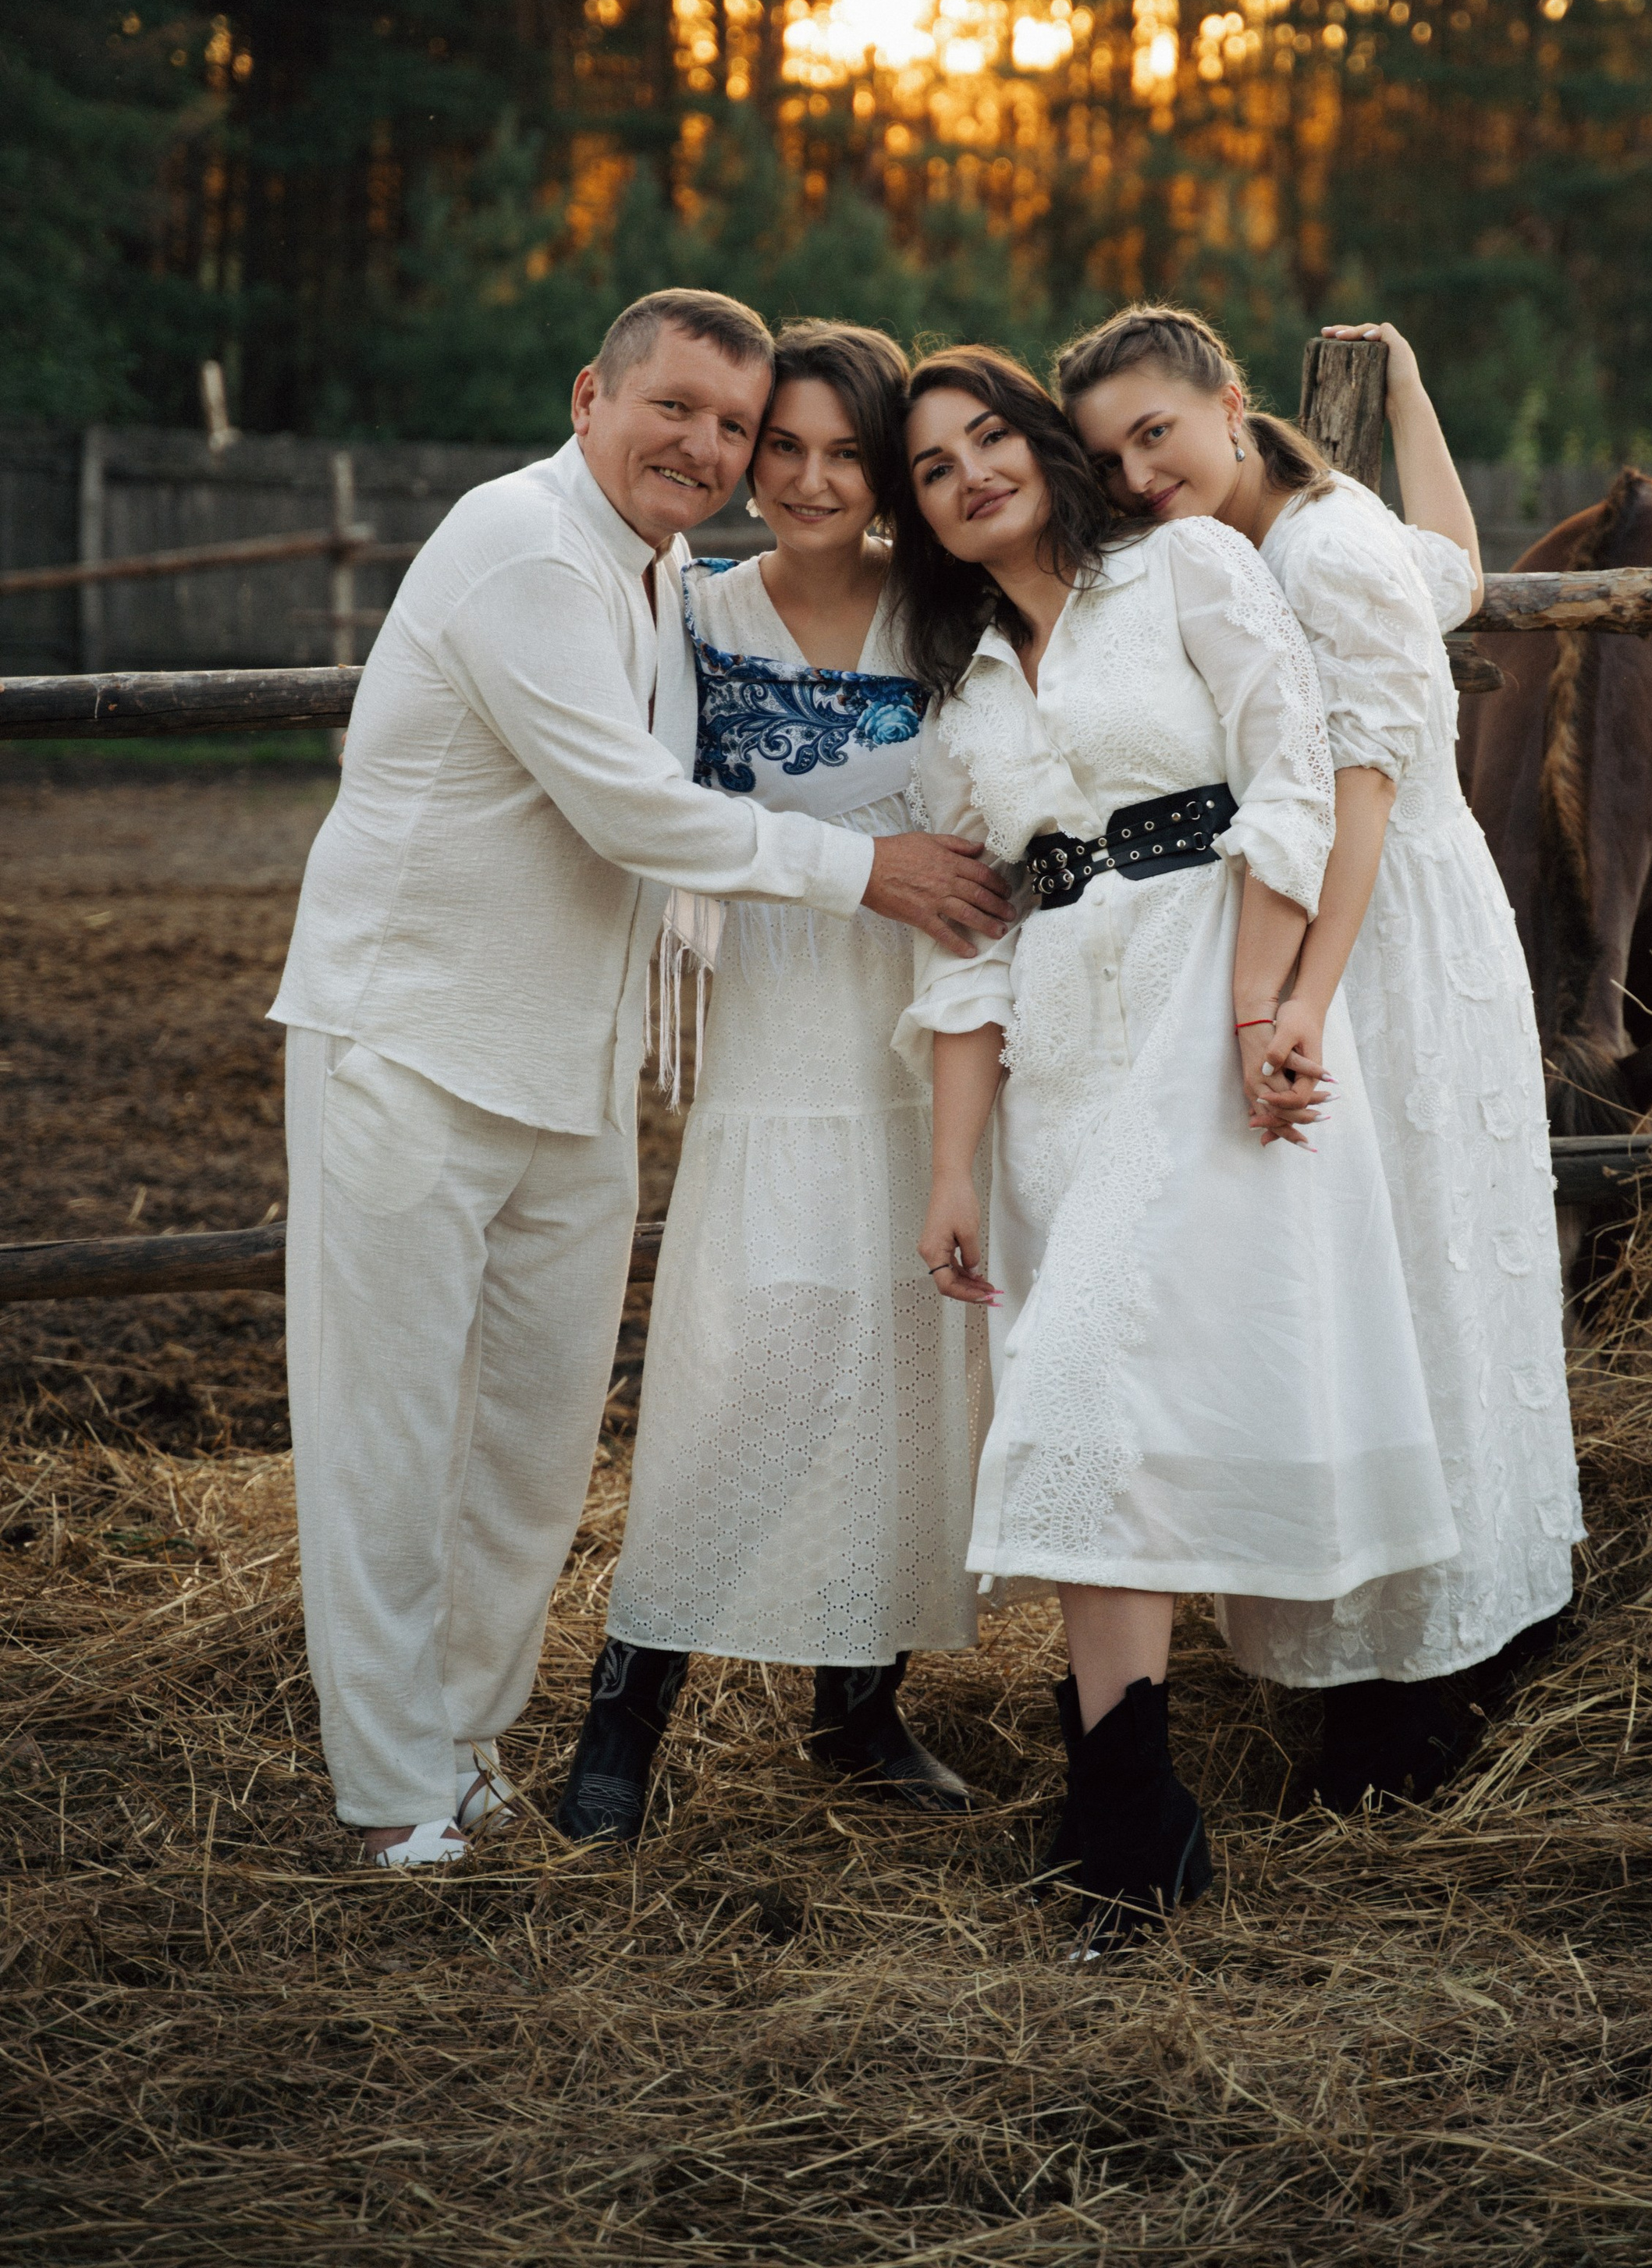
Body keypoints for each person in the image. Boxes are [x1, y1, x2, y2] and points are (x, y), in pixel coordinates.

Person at [268, 289, 1008, 1868]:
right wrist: (861, 868)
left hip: (573, 1071)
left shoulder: (663, 571)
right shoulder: (527, 549)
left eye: (728, 426)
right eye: (678, 408)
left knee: (532, 1453)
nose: (708, 446)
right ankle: (394, 1789)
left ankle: (467, 1747)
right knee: (391, 1439)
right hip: (410, 1043)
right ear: (592, 391)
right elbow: (627, 807)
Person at [890, 346, 1458, 1949]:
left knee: (1079, 1387)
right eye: (929, 471)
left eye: (987, 440)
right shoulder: (963, 692)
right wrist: (952, 1167)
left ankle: (1123, 1817)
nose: (967, 478)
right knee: (1098, 1421)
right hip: (1062, 1049)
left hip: (1207, 1006)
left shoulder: (1186, 568)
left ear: (1040, 450)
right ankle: (1132, 1803)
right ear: (917, 516)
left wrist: (1257, 1012)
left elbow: (1288, 781)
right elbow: (971, 951)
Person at [1057, 304, 1582, 1808]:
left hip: (1387, 938)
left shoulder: (1315, 553)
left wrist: (1300, 996)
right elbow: (1465, 573)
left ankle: (1417, 1673)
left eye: (1158, 431)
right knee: (1416, 1267)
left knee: (1405, 1264)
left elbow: (1361, 788)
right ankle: (1419, 1624)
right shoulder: (1319, 520)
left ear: (1230, 403)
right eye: (1110, 456)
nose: (1141, 473)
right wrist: (1416, 391)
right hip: (1391, 921)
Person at [556, 322, 982, 1845]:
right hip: (772, 1045)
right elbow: (638, 802)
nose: (805, 479)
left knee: (901, 1377)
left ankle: (858, 1708)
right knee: (742, 1372)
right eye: (779, 446)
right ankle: (624, 1708)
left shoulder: (949, 624)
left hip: (915, 1038)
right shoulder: (698, 617)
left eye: (843, 453)